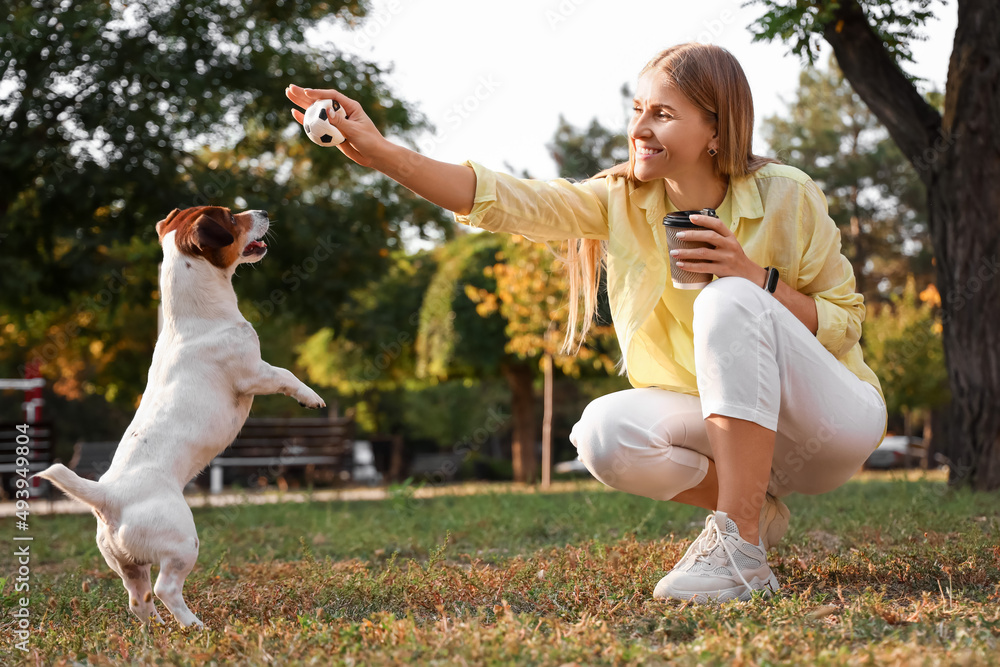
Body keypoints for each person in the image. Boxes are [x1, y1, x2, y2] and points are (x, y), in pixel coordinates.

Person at [285, 42, 887, 603]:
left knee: (726, 300)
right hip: (721, 424)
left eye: (663, 114)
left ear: (716, 129)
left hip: (830, 421)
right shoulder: (618, 200)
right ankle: (754, 510)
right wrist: (380, 150)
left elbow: (845, 321)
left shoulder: (787, 194)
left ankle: (740, 546)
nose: (639, 129)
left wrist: (753, 278)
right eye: (637, 109)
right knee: (603, 433)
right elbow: (499, 197)